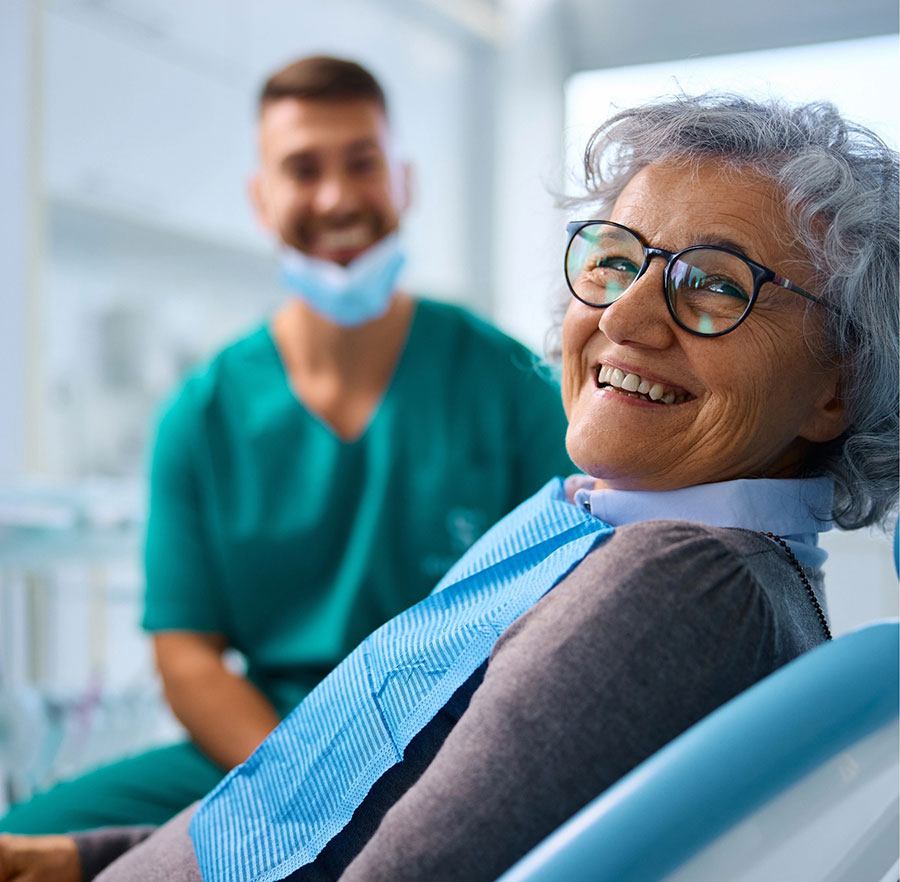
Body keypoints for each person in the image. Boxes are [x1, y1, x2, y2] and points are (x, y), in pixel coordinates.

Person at [1, 93, 896, 882]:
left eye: (712, 285)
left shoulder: (682, 585)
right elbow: (324, 807)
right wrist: (88, 859)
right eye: (615, 261)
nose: (623, 315)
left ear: (837, 385)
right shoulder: (618, 536)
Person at [0, 56, 572, 835]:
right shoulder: (202, 416)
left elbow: (570, 604)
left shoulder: (507, 383)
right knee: (28, 842)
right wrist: (301, 784)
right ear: (261, 198)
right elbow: (187, 654)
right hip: (263, 747)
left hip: (460, 741)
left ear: (404, 181)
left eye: (361, 164)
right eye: (302, 170)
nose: (336, 196)